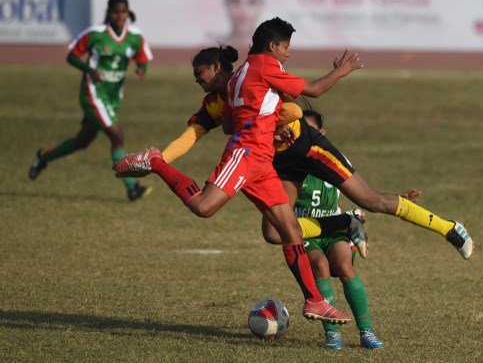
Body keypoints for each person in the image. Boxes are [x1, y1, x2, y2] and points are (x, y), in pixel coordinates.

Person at [114, 17, 364, 324]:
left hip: (262, 161)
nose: (287, 53)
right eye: (286, 47)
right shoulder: (259, 68)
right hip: (247, 154)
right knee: (204, 208)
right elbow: (308, 93)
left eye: (199, 73)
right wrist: (340, 72)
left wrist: (273, 121)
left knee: (291, 230)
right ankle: (156, 163)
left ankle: (314, 301)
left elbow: (239, 121)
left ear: (216, 68)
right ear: (272, 46)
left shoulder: (238, 79)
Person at [263, 97, 474, 260]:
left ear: (321, 134)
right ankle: (345, 222)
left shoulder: (323, 153)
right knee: (273, 232)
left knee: (373, 202)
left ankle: (449, 228)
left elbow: (311, 89)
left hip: (305, 164)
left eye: (310, 131)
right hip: (290, 162)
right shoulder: (251, 99)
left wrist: (338, 72)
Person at [264, 110, 384, 350]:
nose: (303, 137)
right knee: (319, 265)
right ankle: (332, 333)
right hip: (304, 232)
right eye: (300, 132)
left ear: (322, 133)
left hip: (332, 230)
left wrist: (390, 201)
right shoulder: (291, 163)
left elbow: (362, 192)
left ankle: (366, 331)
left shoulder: (334, 160)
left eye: (310, 131)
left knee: (345, 266)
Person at [28, 0, 153, 201]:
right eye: (115, 11)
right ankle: (132, 186)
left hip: (113, 97)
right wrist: (89, 70)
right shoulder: (95, 34)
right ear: (108, 13)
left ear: (127, 13)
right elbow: (71, 56)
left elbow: (142, 58)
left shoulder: (135, 37)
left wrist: (141, 68)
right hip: (93, 93)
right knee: (117, 135)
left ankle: (43, 157)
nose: (119, 15)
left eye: (123, 11)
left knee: (82, 141)